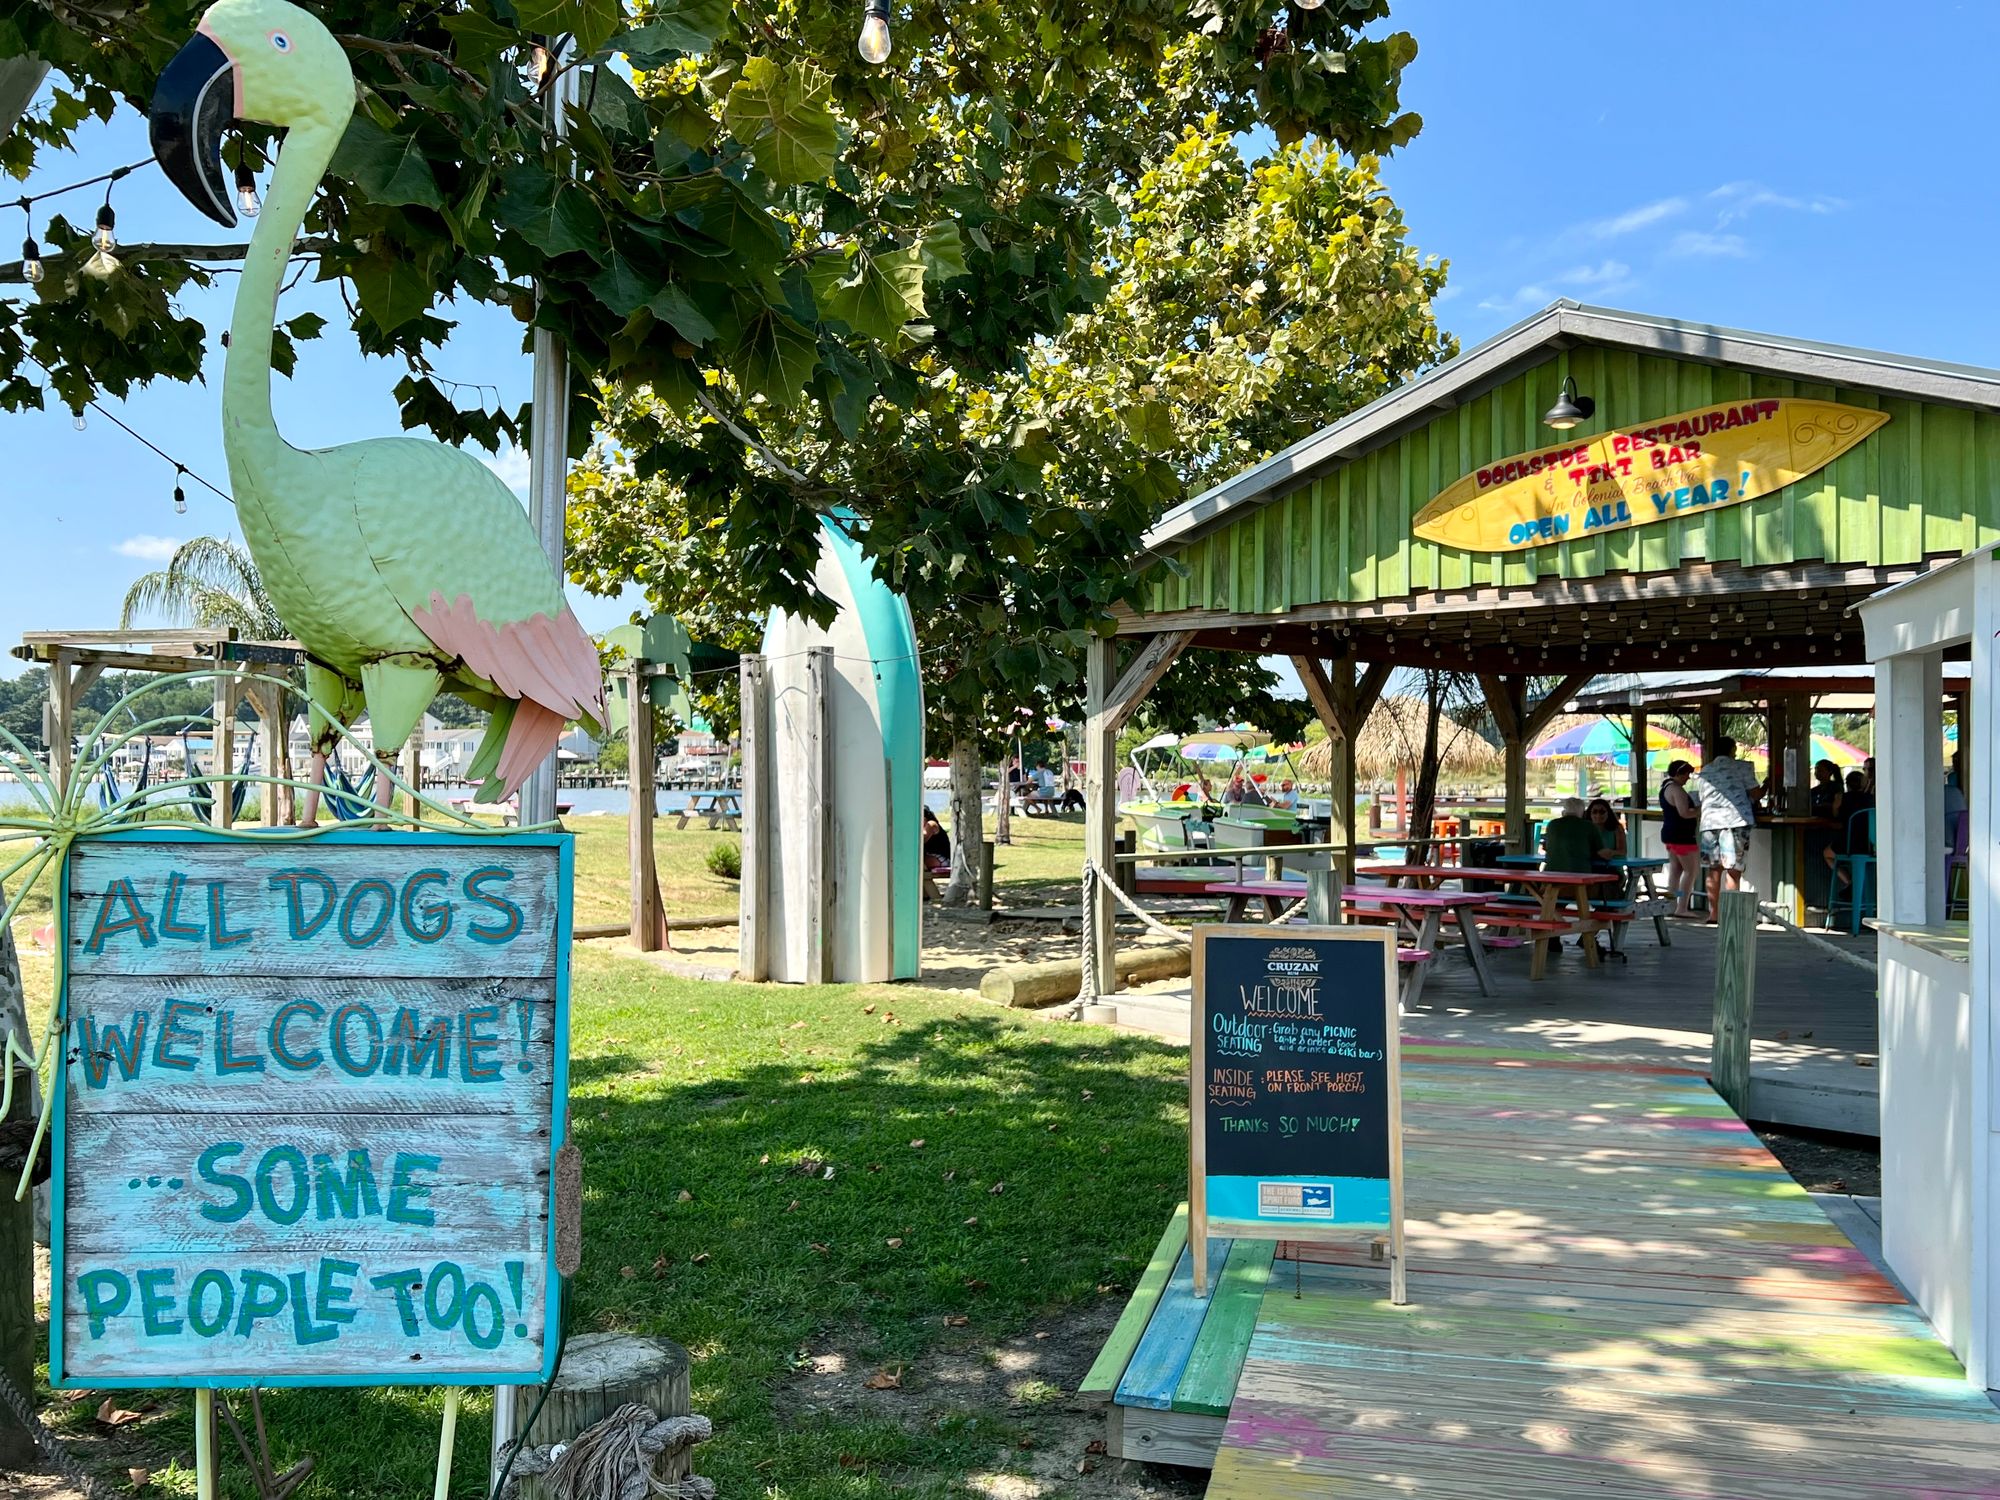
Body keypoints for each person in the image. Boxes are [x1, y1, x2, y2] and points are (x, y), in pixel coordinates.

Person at [1696, 736, 1763, 924]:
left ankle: (1714, 914)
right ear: (1732, 749)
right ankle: (1732, 914)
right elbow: (1756, 794)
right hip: (1735, 820)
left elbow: (1702, 797)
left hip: (1710, 822)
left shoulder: (1705, 771)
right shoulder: (1742, 767)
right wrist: (1767, 785)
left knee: (1714, 869)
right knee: (1733, 869)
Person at [1542, 797, 1611, 958]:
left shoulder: (1552, 825)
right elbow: (1602, 853)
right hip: (1580, 885)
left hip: (1551, 884)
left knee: (1556, 904)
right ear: (1582, 811)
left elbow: (1546, 847)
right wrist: (1615, 853)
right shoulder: (1588, 827)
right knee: (1610, 901)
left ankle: (1553, 937)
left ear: (1564, 810)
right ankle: (1587, 935)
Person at [1659, 760, 1701, 918]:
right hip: (1682, 836)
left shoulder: (1665, 787)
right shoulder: (1676, 789)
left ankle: (1671, 905)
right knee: (1691, 871)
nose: (1688, 778)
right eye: (1686, 774)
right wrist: (1700, 810)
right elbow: (1684, 813)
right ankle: (1682, 907)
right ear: (1679, 773)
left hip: (1670, 834)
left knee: (1675, 871)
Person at [1823, 769, 1875, 882]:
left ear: (1847, 784)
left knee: (1827, 853)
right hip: (1870, 845)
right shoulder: (1872, 799)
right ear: (1864, 784)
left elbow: (1835, 815)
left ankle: (1848, 881)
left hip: (1849, 845)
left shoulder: (1840, 797)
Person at [1585, 798, 1627, 870]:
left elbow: (1623, 852)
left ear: (1608, 813)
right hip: (1590, 870)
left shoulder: (1617, 828)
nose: (1598, 815)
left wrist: (1611, 853)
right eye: (1594, 812)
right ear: (1589, 814)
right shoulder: (1584, 829)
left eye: (1602, 812)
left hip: (1612, 869)